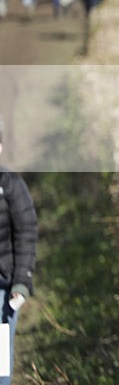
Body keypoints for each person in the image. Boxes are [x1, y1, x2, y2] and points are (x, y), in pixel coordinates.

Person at [0, 119, 38, 384]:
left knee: (0, 367)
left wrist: (21, 281)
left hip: (4, 289)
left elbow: (26, 232)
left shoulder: (11, 184)